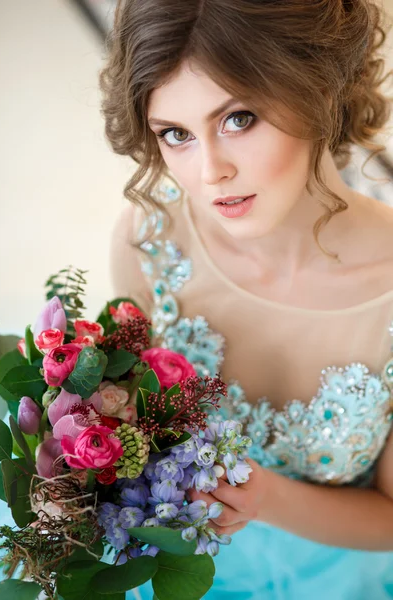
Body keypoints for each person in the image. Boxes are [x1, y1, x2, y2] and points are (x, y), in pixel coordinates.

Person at [103, 0, 393, 598]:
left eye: (239, 118)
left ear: (319, 87)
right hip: (163, 565)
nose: (211, 172)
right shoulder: (150, 240)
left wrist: (265, 497)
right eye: (176, 134)